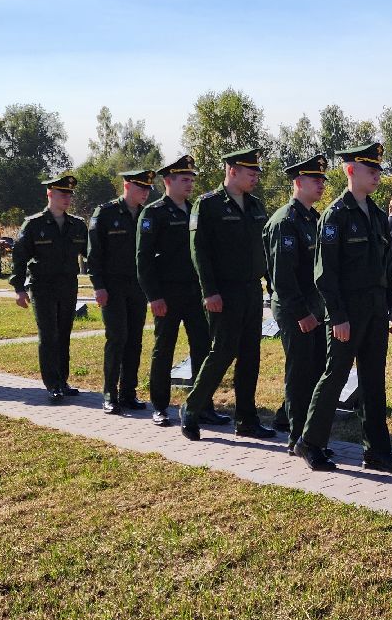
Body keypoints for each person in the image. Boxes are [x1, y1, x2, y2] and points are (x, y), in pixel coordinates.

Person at [296, 142, 392, 474]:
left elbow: (387, 269)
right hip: (348, 312)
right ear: (350, 171)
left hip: (375, 311)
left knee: (374, 381)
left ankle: (376, 451)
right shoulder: (335, 216)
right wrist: (338, 316)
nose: (376, 175)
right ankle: (310, 442)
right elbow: (325, 274)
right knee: (335, 377)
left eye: (378, 170)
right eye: (369, 169)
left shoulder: (376, 215)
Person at [181, 148, 275, 441]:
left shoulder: (257, 205)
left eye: (257, 173)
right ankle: (192, 408)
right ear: (232, 171)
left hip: (250, 290)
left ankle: (246, 419)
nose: (256, 178)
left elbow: (264, 250)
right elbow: (200, 252)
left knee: (250, 356)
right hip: (223, 291)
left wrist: (271, 284)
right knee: (222, 352)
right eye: (251, 173)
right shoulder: (207, 205)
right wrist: (209, 291)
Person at [137, 154, 213, 428]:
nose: (190, 184)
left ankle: (203, 406)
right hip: (167, 294)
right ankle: (160, 406)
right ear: (168, 181)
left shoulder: (195, 211)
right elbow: (143, 259)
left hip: (194, 293)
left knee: (203, 349)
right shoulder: (153, 213)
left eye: (192, 179)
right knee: (164, 349)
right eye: (184, 179)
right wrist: (153, 296)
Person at [265, 154, 330, 449]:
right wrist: (303, 313)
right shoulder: (286, 222)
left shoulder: (313, 218)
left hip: (313, 308)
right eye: (315, 179)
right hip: (295, 310)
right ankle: (296, 437)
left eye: (322, 179)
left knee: (315, 369)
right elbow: (282, 277)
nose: (321, 184)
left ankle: (298, 425)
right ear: (298, 182)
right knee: (300, 371)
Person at [11, 174, 87, 400]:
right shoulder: (33, 224)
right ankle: (52, 383)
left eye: (70, 195)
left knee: (64, 333)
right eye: (63, 194)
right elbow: (19, 257)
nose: (67, 198)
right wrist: (18, 288)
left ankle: (62, 380)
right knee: (48, 334)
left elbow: (90, 253)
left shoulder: (77, 224)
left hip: (68, 285)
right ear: (50, 194)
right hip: (42, 286)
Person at [88, 169, 154, 414]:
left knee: (134, 341)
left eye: (148, 189)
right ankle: (109, 394)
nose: (145, 193)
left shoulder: (147, 215)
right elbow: (94, 255)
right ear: (127, 186)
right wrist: (99, 286)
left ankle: (128, 393)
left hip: (137, 287)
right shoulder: (105, 213)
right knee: (117, 338)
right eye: (141, 188)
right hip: (112, 286)